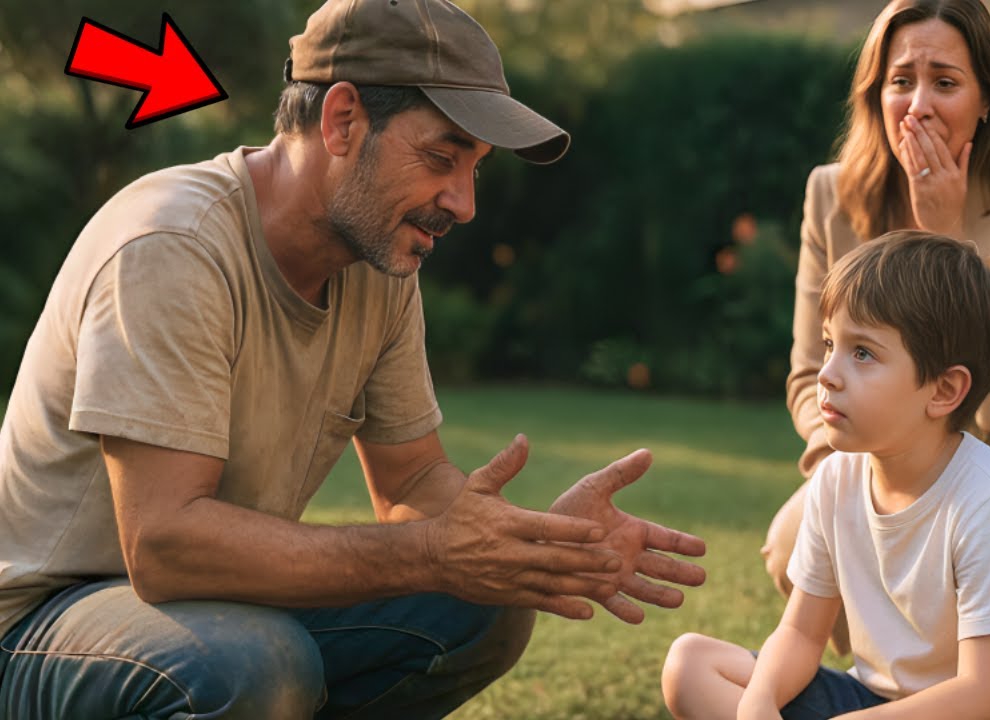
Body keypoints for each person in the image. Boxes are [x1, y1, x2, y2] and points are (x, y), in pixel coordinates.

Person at [0, 1, 706, 717]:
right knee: (254, 664)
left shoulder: (378, 262)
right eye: (441, 157)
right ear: (341, 121)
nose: (462, 204)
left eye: (476, 169)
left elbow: (412, 480)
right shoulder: (174, 247)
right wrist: (433, 553)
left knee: (481, 608)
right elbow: (165, 545)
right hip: (41, 622)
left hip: (205, 608)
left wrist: (535, 543)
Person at [762, 0, 990, 656]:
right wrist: (834, 475)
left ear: (987, 101)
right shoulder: (833, 195)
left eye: (945, 82)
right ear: (876, 94)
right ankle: (887, 679)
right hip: (870, 466)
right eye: (901, 80)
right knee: (790, 541)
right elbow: (811, 374)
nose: (918, 105)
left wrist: (947, 236)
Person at [663, 232, 990, 719]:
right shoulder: (836, 481)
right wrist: (760, 701)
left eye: (862, 353)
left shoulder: (988, 503)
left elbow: (984, 694)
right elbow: (802, 633)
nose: (828, 373)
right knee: (691, 663)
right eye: (831, 343)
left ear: (943, 390)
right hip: (876, 703)